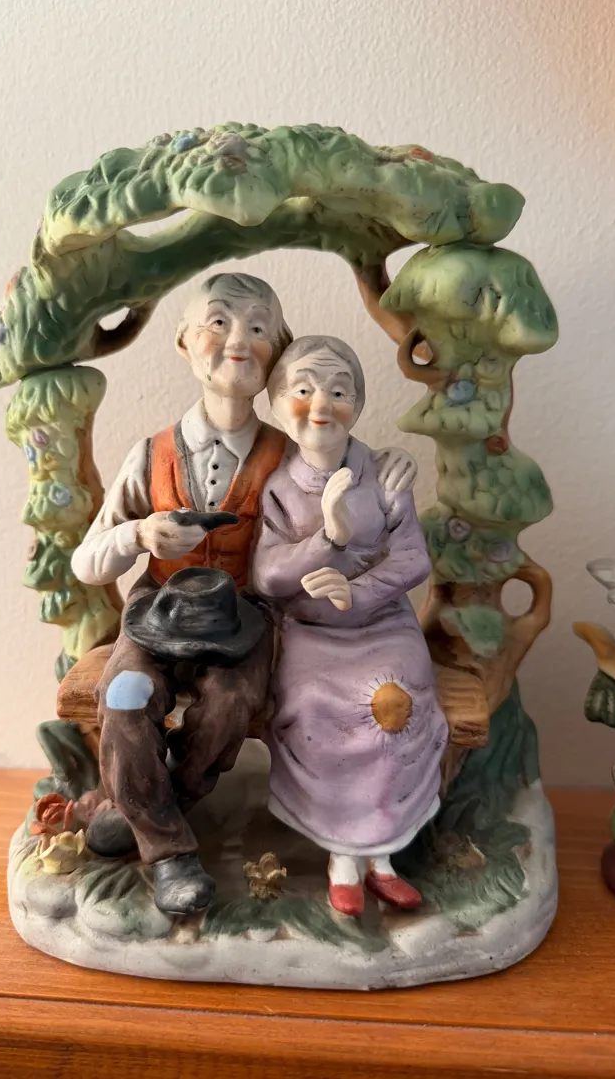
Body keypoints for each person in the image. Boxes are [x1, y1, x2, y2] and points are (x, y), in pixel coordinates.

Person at [71, 275, 418, 915]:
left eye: (258, 328)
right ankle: (170, 853)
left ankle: (147, 805)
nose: (238, 340)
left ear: (276, 351)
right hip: (157, 612)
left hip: (243, 620)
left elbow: (352, 465)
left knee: (232, 704)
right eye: (219, 322)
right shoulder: (149, 455)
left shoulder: (292, 452)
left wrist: (391, 464)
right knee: (125, 695)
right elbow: (87, 562)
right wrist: (139, 534)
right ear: (184, 341)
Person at [253, 335, 449, 917]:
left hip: (384, 625)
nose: (321, 406)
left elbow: (412, 558)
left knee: (392, 704)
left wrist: (356, 591)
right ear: (276, 403)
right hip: (310, 633)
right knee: (316, 707)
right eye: (303, 390)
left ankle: (383, 854)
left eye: (339, 392)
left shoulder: (383, 475)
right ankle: (344, 857)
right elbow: (267, 576)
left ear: (358, 405)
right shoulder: (279, 488)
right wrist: (328, 539)